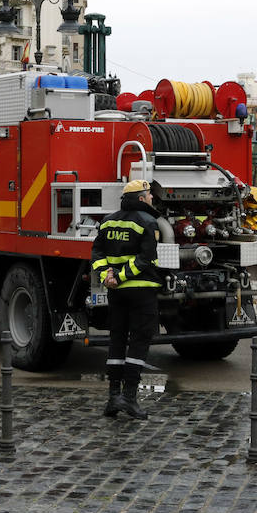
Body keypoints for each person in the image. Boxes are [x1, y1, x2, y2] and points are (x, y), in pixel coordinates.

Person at [90, 179, 162, 419]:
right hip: (141, 291)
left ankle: (113, 397)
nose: (152, 198)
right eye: (149, 194)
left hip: (116, 292)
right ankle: (129, 398)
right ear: (141, 199)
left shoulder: (107, 221)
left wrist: (106, 276)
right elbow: (146, 259)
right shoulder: (149, 223)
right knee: (140, 341)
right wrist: (120, 276)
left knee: (117, 340)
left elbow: (97, 253)